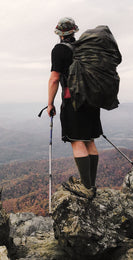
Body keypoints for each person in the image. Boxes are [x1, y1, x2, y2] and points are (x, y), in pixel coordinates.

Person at [47, 17, 102, 199]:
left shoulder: (59, 50)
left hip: (73, 101)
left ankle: (86, 188)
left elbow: (55, 78)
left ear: (60, 34)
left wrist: (50, 103)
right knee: (90, 141)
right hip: (92, 100)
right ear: (74, 31)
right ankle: (91, 184)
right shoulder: (84, 48)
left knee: (77, 141)